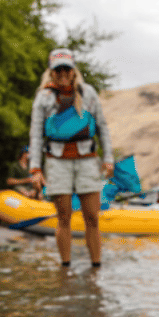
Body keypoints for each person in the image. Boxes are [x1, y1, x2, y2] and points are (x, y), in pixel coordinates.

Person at [28, 48, 113, 267]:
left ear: (73, 70)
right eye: (58, 69)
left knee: (92, 218)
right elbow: (36, 134)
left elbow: (102, 127)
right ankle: (65, 267)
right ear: (52, 72)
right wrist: (35, 169)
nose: (63, 73)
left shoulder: (88, 93)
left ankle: (96, 267)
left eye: (67, 68)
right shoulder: (43, 97)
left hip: (87, 160)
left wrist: (109, 158)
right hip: (57, 162)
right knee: (63, 218)